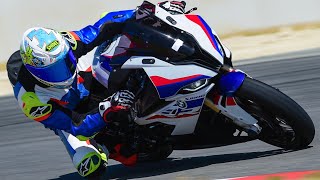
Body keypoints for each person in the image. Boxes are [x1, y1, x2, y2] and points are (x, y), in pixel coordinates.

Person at [6, 1, 188, 178]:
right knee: (89, 164)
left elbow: (102, 26)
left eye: (64, 62)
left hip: (85, 80)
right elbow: (76, 125)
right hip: (70, 112)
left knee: (124, 40)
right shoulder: (33, 101)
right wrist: (106, 108)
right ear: (35, 72)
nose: (62, 72)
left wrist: (145, 12)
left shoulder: (65, 44)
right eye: (53, 71)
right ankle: (111, 146)